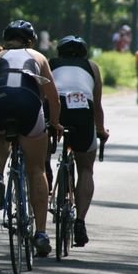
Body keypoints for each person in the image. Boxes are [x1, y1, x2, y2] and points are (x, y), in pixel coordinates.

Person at [0, 20, 63, 257]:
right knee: (36, 170)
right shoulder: (38, 57)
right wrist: (55, 123)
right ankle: (40, 233)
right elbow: (53, 97)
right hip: (27, 105)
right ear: (30, 41)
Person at [48, 35, 109, 246]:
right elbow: (97, 105)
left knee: (38, 157)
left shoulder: (50, 64)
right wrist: (101, 130)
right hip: (83, 110)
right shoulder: (92, 67)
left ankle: (44, 173)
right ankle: (80, 221)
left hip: (56, 110)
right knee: (86, 169)